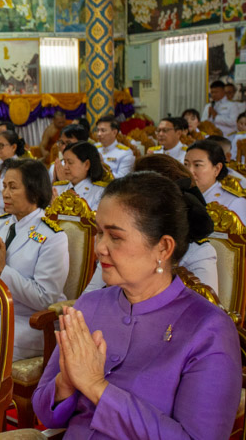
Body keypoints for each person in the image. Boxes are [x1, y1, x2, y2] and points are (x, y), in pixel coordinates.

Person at [32, 172, 241, 439]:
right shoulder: (90, 305)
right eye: (99, 233)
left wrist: (97, 387)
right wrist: (66, 383)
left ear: (163, 248)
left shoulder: (209, 329)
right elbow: (46, 413)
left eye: (115, 237)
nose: (100, 248)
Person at [0, 159, 69, 360]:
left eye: (13, 187)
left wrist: (2, 269)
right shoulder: (2, 224)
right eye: (4, 186)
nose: (5, 193)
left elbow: (45, 298)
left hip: (31, 322)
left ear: (34, 192)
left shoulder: (52, 237)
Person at [84, 154, 218, 294]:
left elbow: (205, 308)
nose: (99, 248)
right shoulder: (112, 246)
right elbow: (90, 297)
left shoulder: (198, 252)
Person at [185, 140, 246, 223]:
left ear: (217, 169)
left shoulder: (233, 202)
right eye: (186, 164)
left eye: (197, 165)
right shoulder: (180, 195)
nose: (190, 171)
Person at [54, 142, 108, 211]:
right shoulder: (56, 189)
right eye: (64, 162)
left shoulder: (101, 192)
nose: (65, 167)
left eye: (70, 162)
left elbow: (95, 220)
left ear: (86, 165)